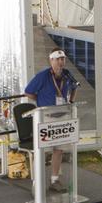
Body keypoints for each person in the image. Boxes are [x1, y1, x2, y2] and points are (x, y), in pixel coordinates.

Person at [23, 49, 79, 193]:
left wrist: (71, 100)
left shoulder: (67, 74)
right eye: (58, 59)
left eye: (63, 59)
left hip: (62, 117)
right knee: (42, 150)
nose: (61, 62)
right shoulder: (42, 76)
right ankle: (37, 181)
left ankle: (54, 180)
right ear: (51, 60)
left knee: (58, 150)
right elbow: (28, 91)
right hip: (46, 117)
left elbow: (75, 86)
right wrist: (41, 101)